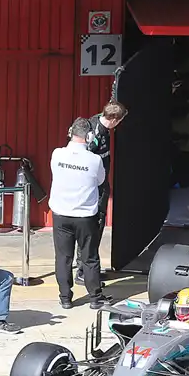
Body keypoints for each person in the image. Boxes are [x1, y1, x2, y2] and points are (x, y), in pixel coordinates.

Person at [49, 117, 111, 310]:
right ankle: (94, 298)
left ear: (70, 132)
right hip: (85, 216)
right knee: (89, 257)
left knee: (63, 257)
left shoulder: (57, 154)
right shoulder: (94, 160)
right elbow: (101, 181)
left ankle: (65, 298)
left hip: (61, 214)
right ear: (90, 137)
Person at [75, 100, 128, 286]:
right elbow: (84, 161)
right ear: (114, 120)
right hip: (93, 190)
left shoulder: (102, 128)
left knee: (97, 229)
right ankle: (83, 271)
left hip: (101, 187)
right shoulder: (94, 133)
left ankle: (89, 269)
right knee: (92, 229)